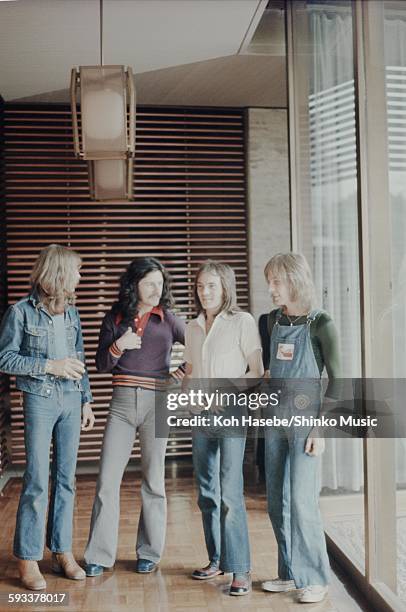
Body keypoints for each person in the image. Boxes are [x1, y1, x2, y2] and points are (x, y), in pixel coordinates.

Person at [0, 244, 94, 591]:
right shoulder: (20, 312)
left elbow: (79, 356)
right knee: (38, 480)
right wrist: (48, 366)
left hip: (71, 399)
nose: (81, 277)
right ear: (59, 274)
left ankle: (61, 550)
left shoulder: (72, 313)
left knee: (67, 479)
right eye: (78, 271)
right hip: (39, 399)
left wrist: (86, 400)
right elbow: (5, 358)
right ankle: (27, 557)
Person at [84, 257, 185, 576]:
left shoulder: (169, 319)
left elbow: (200, 347)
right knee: (106, 481)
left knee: (154, 480)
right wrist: (119, 345)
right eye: (150, 283)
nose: (158, 289)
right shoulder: (114, 318)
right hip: (122, 405)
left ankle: (149, 553)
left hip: (158, 404)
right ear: (134, 285)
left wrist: (178, 377)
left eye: (161, 283)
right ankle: (99, 555)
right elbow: (101, 364)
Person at [260, 252, 340, 604]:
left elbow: (339, 384)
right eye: (270, 282)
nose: (271, 289)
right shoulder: (273, 321)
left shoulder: (321, 323)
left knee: (302, 501)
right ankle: (290, 571)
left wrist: (320, 430)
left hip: (306, 423)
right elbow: (271, 371)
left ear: (294, 280)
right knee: (276, 500)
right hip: (274, 419)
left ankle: (316, 578)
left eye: (276, 282)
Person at [184, 260, 263, 596]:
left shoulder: (241, 321)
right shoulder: (192, 326)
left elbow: (257, 371)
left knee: (230, 491)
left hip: (230, 411)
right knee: (205, 491)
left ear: (226, 287)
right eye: (201, 286)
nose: (205, 292)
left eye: (212, 285)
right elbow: (190, 370)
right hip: (200, 416)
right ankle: (216, 559)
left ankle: (240, 568)